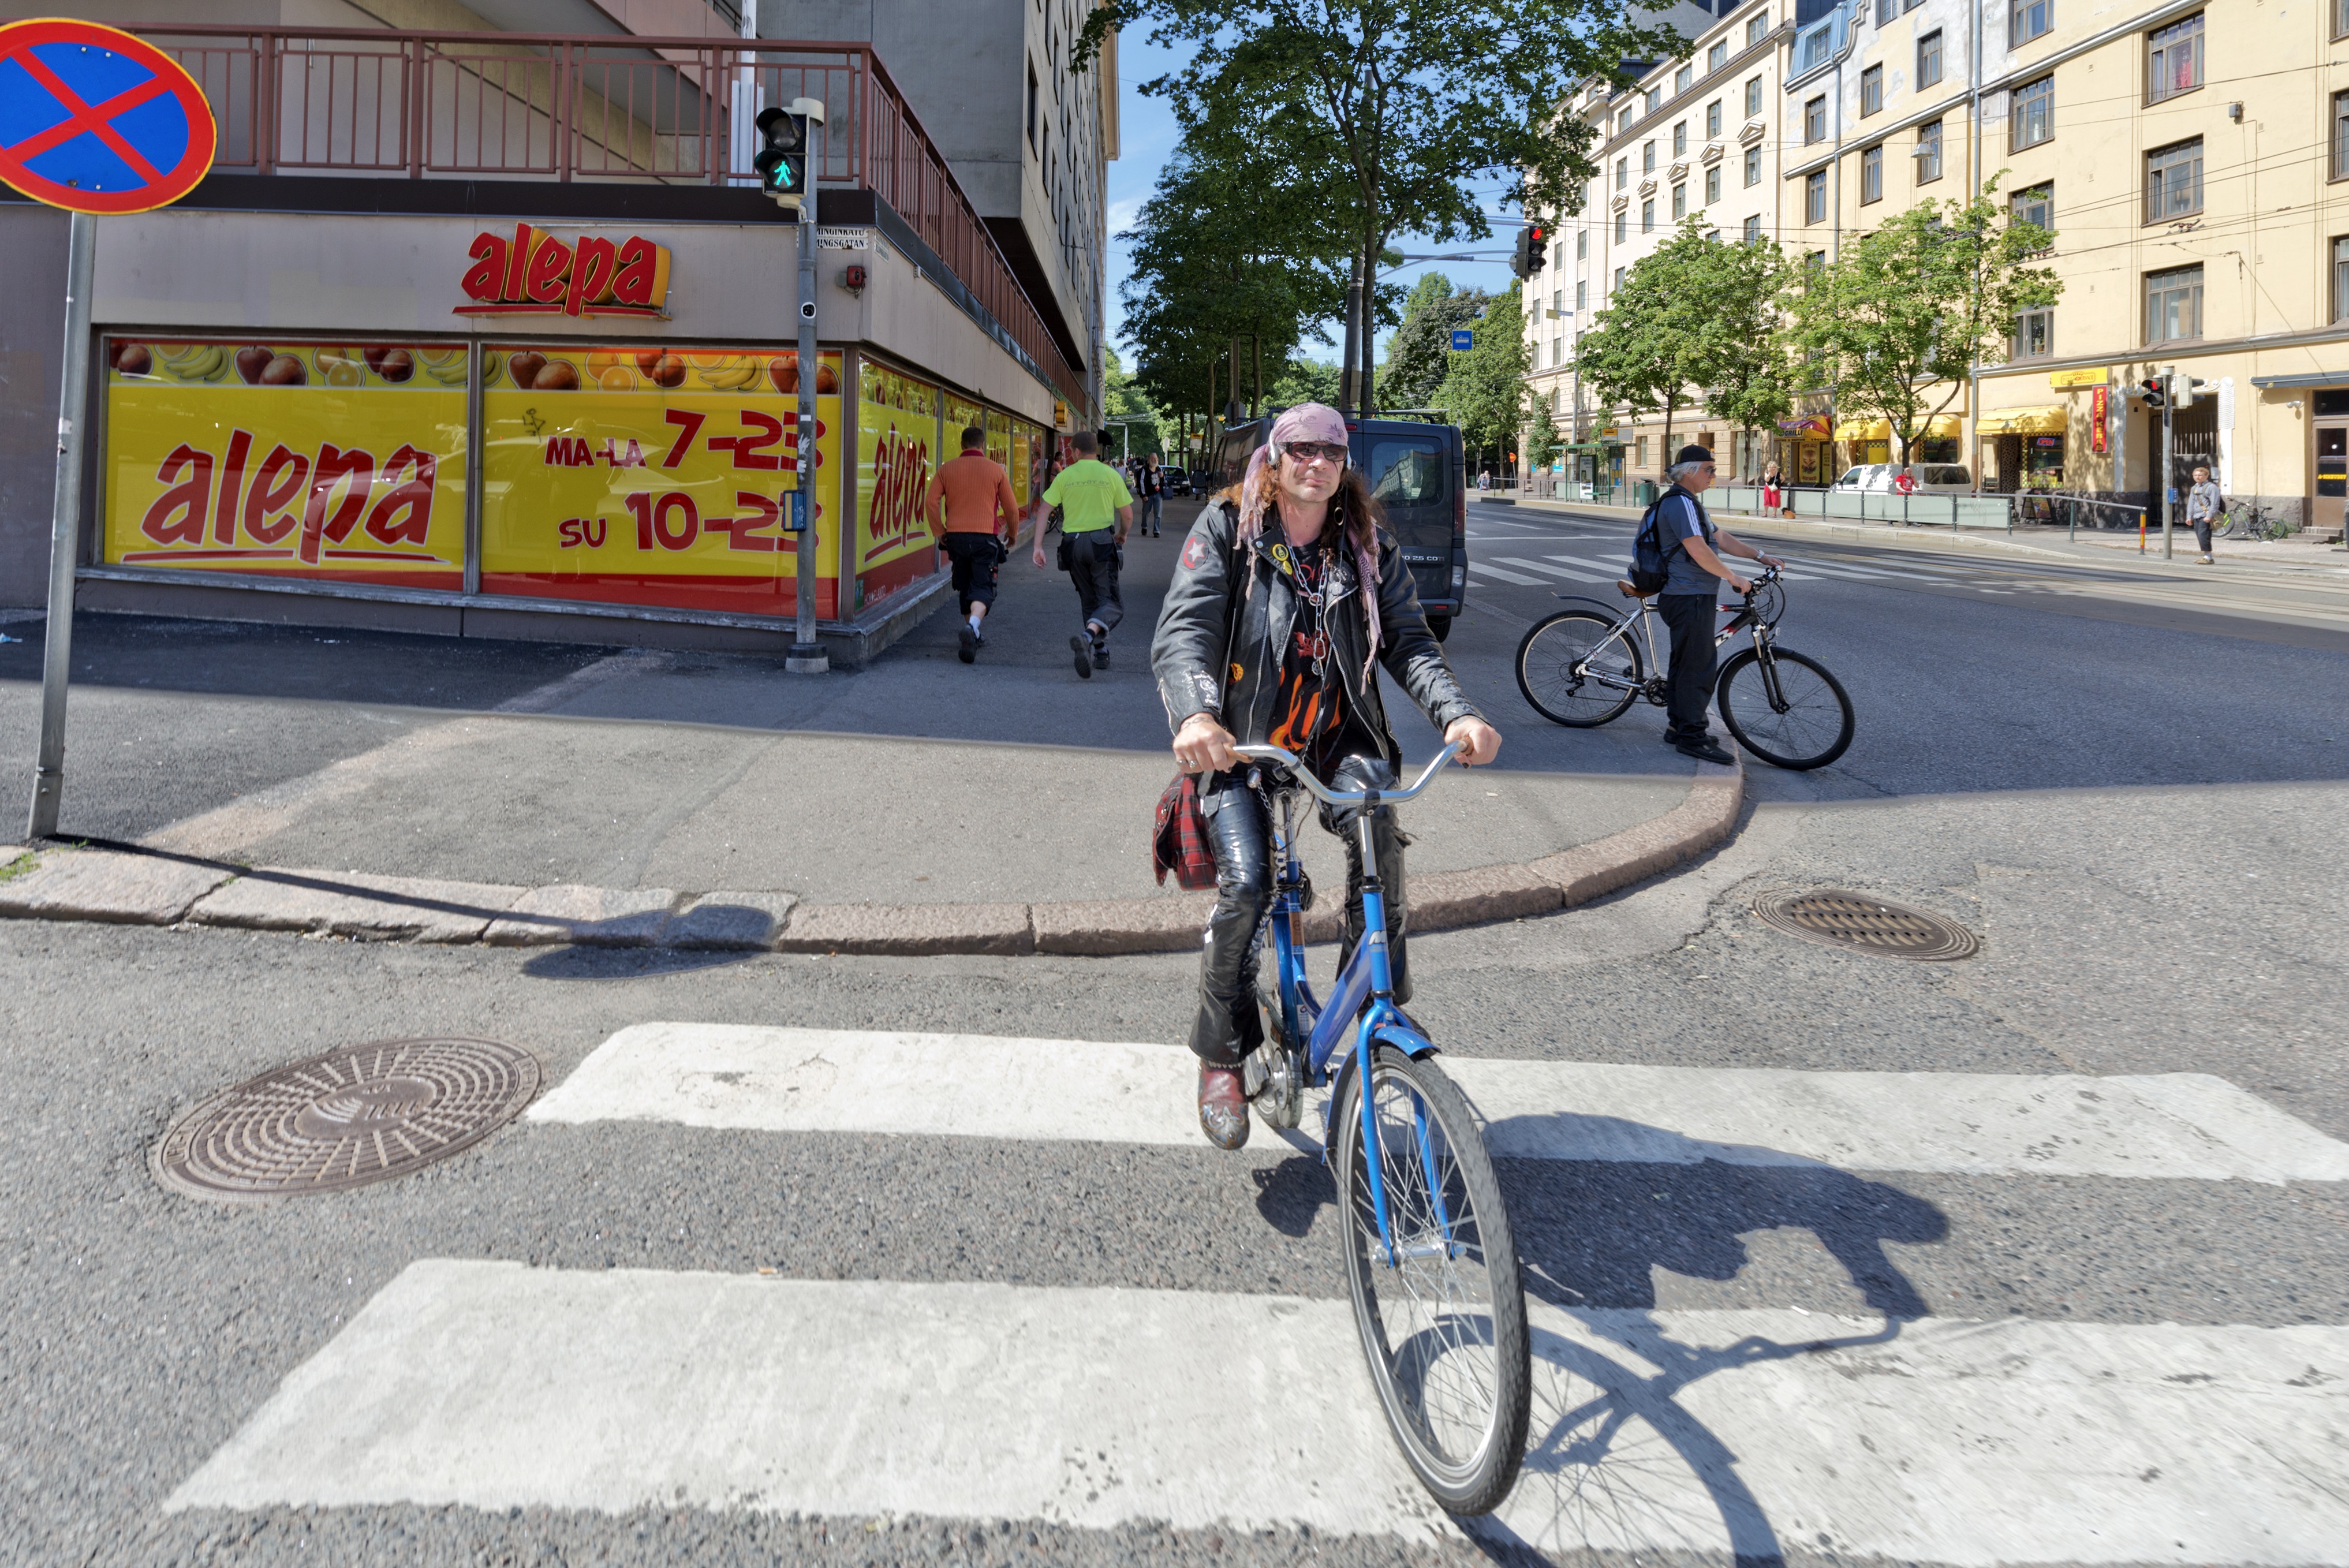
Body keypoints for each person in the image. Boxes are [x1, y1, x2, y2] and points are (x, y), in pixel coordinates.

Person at [1153, 403, 1503, 1151]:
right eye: (1301, 449)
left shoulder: (1365, 545)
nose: (1317, 462)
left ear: (1346, 465)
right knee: (1247, 885)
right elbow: (1186, 629)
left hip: (1335, 736)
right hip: (1242, 745)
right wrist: (1194, 716)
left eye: (1332, 451)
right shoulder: (1228, 531)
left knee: (1379, 823)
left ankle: (1376, 1004)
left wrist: (1456, 714)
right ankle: (1220, 1054)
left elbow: (1409, 641)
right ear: (1274, 463)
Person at [1646, 445, 1782, 767]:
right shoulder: (1680, 504)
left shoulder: (1691, 504)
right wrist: (1733, 578)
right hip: (1688, 595)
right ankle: (1693, 738)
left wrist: (1761, 556)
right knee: (1699, 667)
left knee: (1685, 665)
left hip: (1690, 594)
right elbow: (1698, 550)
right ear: (1690, 471)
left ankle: (1678, 726)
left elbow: (1721, 539)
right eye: (1709, 469)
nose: (1714, 475)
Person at [1033, 430, 1133, 677]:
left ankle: (1099, 652)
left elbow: (1044, 510)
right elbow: (1128, 514)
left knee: (1088, 598)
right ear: (1095, 450)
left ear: (1076, 452)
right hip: (1100, 542)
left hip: (1072, 545)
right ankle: (1088, 636)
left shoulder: (1065, 476)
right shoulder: (1109, 474)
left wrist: (1037, 547)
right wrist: (1122, 534)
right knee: (1111, 602)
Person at [922, 424, 1021, 663]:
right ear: (983, 445)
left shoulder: (947, 469)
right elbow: (1011, 508)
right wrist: (1013, 533)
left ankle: (972, 633)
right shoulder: (995, 470)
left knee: (964, 584)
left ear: (962, 445)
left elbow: (930, 502)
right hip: (984, 538)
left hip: (956, 537)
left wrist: (940, 532)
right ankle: (974, 626)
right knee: (984, 586)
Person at [2184, 463, 2223, 564]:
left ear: (2206, 476)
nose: (2198, 477)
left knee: (2204, 536)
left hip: (2205, 516)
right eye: (2195, 475)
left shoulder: (2211, 487)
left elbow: (2215, 503)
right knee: (2200, 536)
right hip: (2197, 516)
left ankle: (2208, 557)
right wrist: (2189, 516)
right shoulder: (2195, 488)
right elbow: (2191, 503)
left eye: (2200, 475)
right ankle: (2206, 556)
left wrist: (2209, 516)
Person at [1137, 453, 1166, 537]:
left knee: (1158, 513)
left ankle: (1157, 531)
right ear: (1149, 460)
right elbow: (1141, 482)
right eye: (1153, 459)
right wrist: (1143, 495)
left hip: (1158, 494)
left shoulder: (1159, 469)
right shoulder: (1145, 469)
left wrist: (1162, 477)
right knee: (1146, 512)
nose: (1155, 460)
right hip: (1148, 495)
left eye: (1156, 459)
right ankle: (1144, 527)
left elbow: (1164, 482)